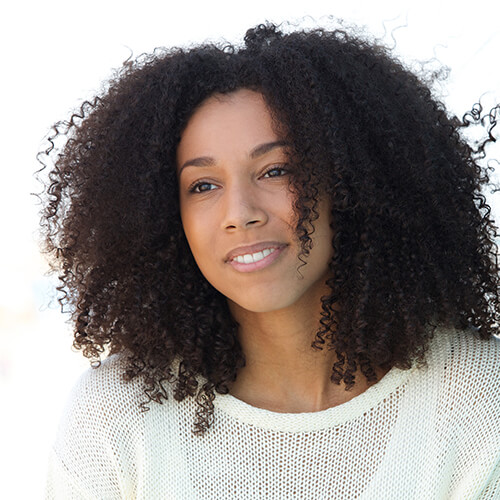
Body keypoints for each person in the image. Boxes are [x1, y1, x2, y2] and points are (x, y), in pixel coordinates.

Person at [41, 22, 500, 499]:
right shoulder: (116, 420)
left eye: (276, 171)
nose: (240, 214)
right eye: (203, 185)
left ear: (352, 182)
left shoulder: (479, 404)